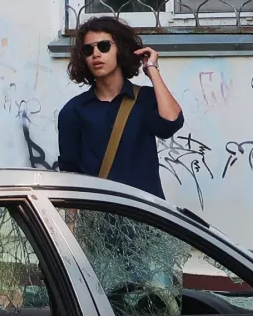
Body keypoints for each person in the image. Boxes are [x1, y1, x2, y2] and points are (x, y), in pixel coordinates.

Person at [55, 16, 184, 197]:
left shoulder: (144, 99)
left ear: (120, 49)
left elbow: (171, 122)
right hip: (98, 211)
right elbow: (70, 173)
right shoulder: (73, 111)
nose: (96, 54)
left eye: (104, 46)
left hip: (144, 210)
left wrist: (152, 69)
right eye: (88, 50)